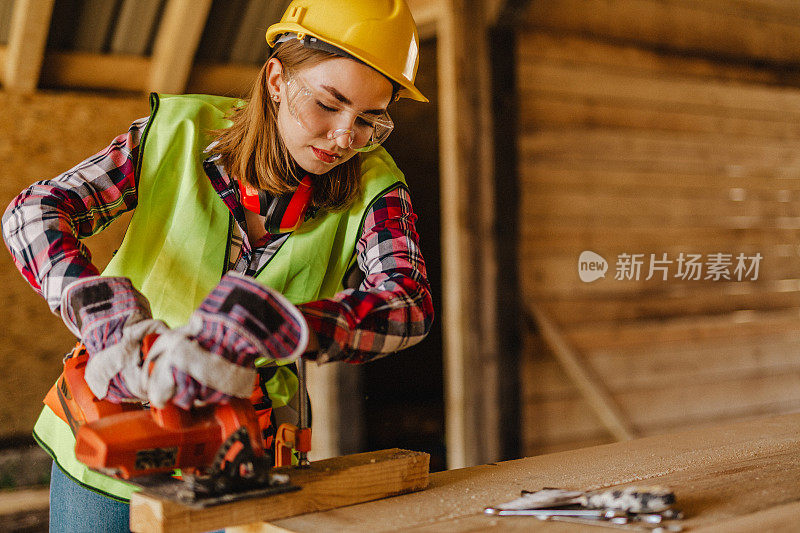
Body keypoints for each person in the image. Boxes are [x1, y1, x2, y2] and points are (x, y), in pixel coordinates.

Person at [1, 0, 433, 530]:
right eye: (328, 104)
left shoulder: (376, 187)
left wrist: (283, 326)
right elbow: (33, 212)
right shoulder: (175, 135)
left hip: (245, 456)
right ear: (277, 78)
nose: (345, 137)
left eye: (369, 119)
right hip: (116, 435)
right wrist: (101, 317)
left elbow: (407, 302)